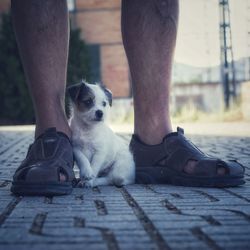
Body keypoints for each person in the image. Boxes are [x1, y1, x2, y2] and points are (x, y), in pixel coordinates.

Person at [10, 0, 244, 196]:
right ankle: (52, 128)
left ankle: (154, 137)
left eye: (102, 103)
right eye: (89, 102)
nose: (98, 108)